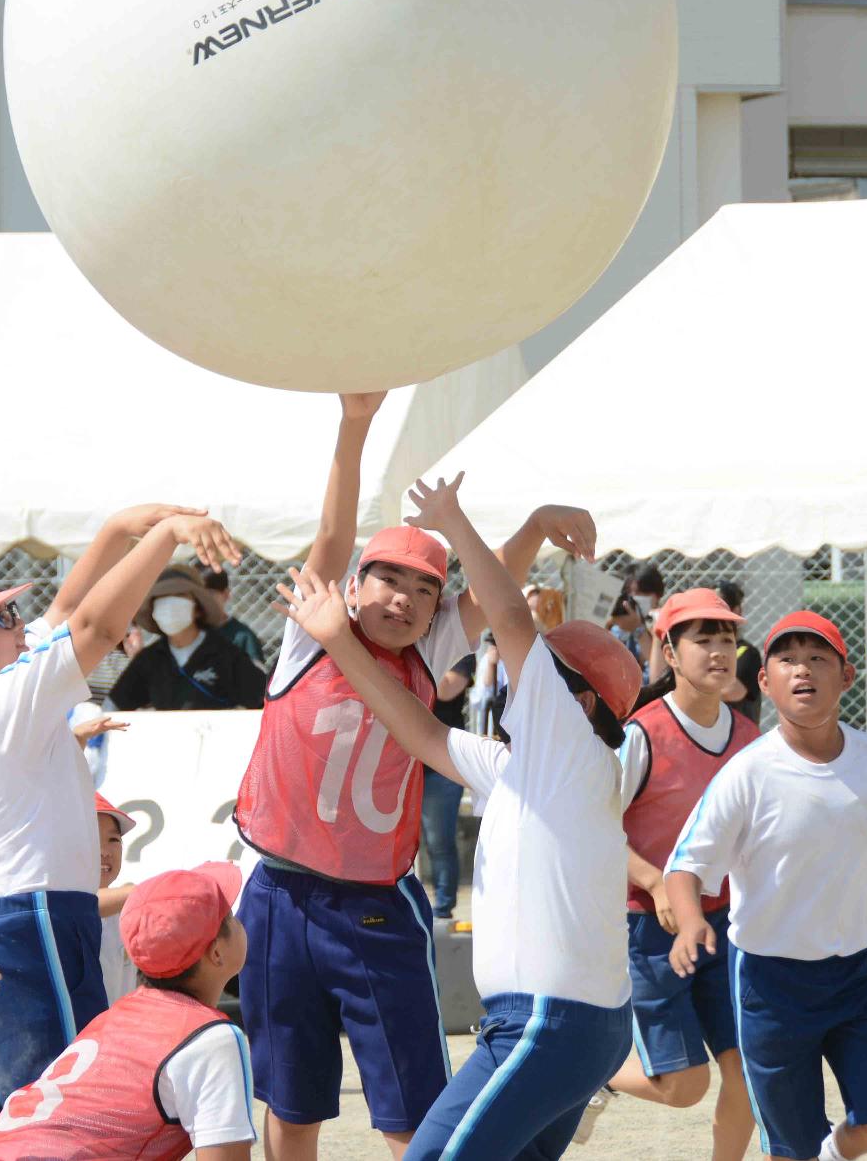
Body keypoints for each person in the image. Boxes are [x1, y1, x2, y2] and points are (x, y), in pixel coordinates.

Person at [231, 394, 595, 1161]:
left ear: (435, 610)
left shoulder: (424, 659)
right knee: (292, 1103)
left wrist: (530, 527)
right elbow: (332, 537)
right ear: (351, 587)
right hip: (279, 895)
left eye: (422, 587)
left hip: (373, 907)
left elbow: (493, 597)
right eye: (386, 578)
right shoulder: (310, 638)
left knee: (410, 1112)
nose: (401, 596)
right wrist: (354, 424)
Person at [0, 503, 237, 1157]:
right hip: (26, 931)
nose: (17, 620)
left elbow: (65, 609)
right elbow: (95, 622)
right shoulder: (4, 698)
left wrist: (117, 530)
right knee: (73, 1129)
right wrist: (166, 537)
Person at [664, 611, 867, 1161]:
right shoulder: (748, 773)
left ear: (845, 677)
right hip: (770, 986)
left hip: (858, 974)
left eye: (818, 658)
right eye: (787, 659)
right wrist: (692, 919)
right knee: (787, 1150)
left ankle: (831, 1153)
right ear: (764, 681)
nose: (803, 671)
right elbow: (686, 865)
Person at [602, 588, 761, 1159]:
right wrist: (651, 881)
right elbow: (592, 828)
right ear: (670, 652)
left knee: (750, 1072)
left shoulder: (749, 738)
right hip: (648, 928)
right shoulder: (641, 734)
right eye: (702, 639)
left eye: (727, 638)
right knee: (685, 1087)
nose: (719, 651)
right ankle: (595, 1078)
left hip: (723, 925)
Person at [0, 864, 257, 1161]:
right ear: (216, 952)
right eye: (230, 917)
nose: (240, 921)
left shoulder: (118, 1015)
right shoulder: (210, 1037)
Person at [110, 565, 268, 711]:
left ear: (197, 608)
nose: (169, 605)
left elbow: (264, 702)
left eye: (179, 595)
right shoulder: (149, 659)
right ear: (153, 610)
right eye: (162, 598)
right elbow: (113, 706)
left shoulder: (225, 654)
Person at [422, 653, 477, 920]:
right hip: (407, 760)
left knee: (439, 840)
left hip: (443, 765)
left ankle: (443, 907)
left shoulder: (460, 653)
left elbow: (444, 690)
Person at [92, 796, 140, 1004]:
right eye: (91, 840)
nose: (104, 852)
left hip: (118, 1033)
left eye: (114, 840)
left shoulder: (128, 909)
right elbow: (81, 905)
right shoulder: (50, 903)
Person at [714, 581, 764, 724]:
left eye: (717, 606)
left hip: (739, 741)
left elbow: (731, 691)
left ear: (736, 611)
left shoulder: (747, 653)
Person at [202, 568, 268, 670]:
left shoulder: (243, 636)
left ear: (225, 594)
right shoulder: (191, 632)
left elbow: (257, 678)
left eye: (210, 594)